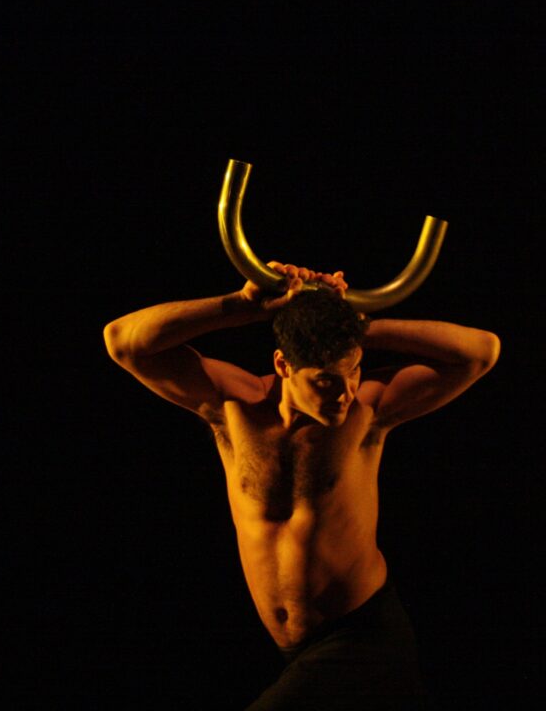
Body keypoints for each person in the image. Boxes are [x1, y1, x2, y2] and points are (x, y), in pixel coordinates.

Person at [103, 262, 500, 709]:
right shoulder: (235, 407)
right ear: (283, 364)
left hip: (364, 640)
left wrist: (356, 325)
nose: (345, 392)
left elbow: (481, 352)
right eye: (326, 380)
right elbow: (123, 342)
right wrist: (242, 305)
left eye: (354, 370)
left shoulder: (367, 413)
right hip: (299, 654)